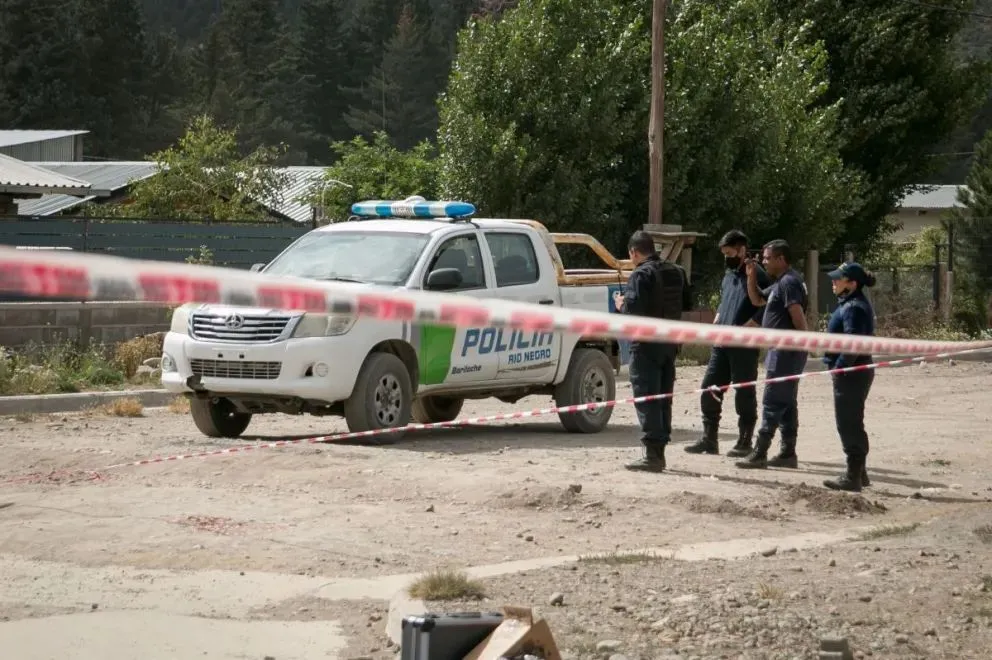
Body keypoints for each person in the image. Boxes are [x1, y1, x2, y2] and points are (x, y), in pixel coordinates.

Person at [684, 230, 770, 457]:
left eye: (730, 253)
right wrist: (719, 316)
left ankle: (745, 441)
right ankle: (709, 439)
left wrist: (751, 325)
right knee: (709, 388)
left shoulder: (757, 274)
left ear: (742, 250)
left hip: (744, 344)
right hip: (721, 344)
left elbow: (767, 304)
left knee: (744, 392)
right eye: (724, 254)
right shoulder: (729, 275)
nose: (727, 258)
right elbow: (726, 302)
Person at [613, 230, 692, 472]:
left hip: (646, 346)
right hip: (670, 345)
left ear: (633, 252)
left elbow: (634, 311)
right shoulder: (677, 271)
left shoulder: (640, 274)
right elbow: (687, 304)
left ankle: (653, 455)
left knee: (647, 397)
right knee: (662, 397)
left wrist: (621, 304)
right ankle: (659, 451)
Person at [736, 239, 809, 470]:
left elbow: (798, 317)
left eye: (768, 258)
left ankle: (760, 452)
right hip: (779, 350)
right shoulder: (780, 283)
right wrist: (751, 275)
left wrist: (799, 343)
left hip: (786, 351)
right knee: (786, 403)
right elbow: (757, 299)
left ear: (781, 259)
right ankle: (788, 453)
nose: (764, 262)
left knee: (773, 401)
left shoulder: (790, 283)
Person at [822, 262, 877, 492]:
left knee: (848, 423)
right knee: (852, 420)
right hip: (855, 372)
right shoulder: (850, 303)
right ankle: (860, 474)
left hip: (852, 373)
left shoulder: (854, 307)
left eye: (838, 279)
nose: (833, 282)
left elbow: (853, 344)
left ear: (852, 284)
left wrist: (841, 368)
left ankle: (853, 476)